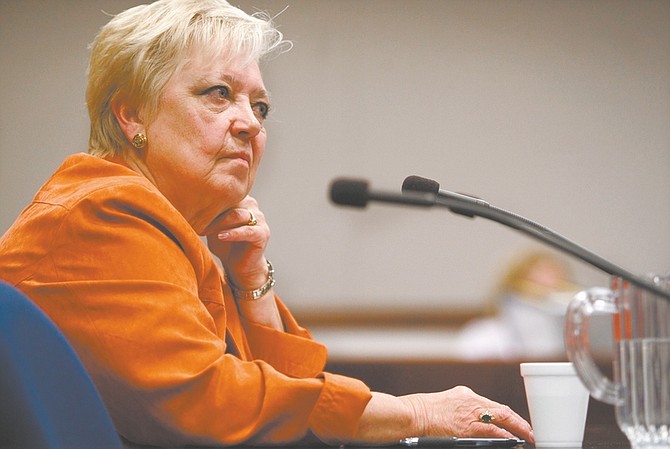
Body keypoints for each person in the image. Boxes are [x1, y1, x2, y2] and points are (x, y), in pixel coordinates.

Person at [0, 1, 534, 447]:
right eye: (218, 94)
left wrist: (252, 282)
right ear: (131, 115)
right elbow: (209, 402)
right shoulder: (106, 214)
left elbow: (289, 408)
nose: (250, 123)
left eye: (261, 107)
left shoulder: (167, 232)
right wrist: (411, 412)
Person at [455, 250, 577, 360]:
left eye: (556, 281)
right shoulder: (481, 337)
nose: (547, 283)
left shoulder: (576, 341)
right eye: (534, 284)